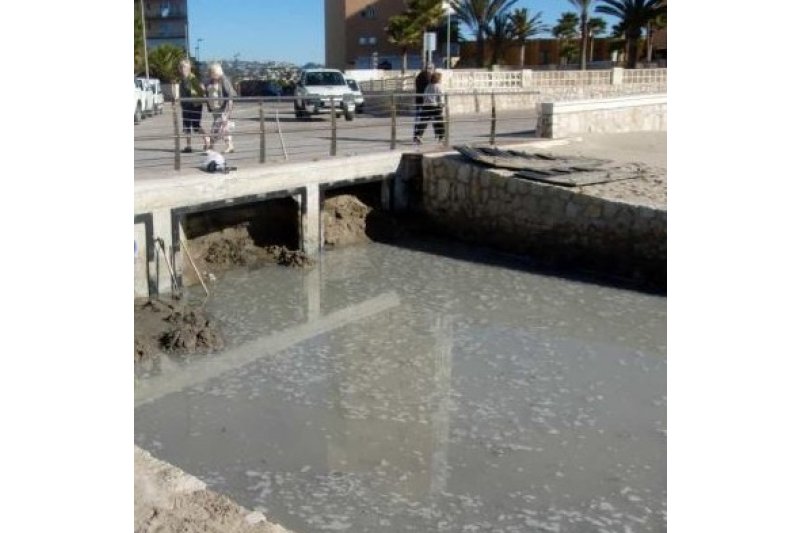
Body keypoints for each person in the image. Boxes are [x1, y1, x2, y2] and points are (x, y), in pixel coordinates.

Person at [205, 62, 237, 154]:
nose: (210, 75)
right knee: (224, 129)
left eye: (212, 72)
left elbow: (231, 95)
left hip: (222, 109)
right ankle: (229, 146)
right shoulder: (211, 81)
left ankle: (211, 147)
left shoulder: (224, 80)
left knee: (216, 128)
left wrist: (228, 111)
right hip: (215, 109)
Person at [178, 58, 206, 153]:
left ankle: (207, 140)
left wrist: (201, 96)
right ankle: (188, 146)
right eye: (181, 67)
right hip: (185, 106)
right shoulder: (182, 80)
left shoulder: (192, 78)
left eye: (184, 67)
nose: (182, 69)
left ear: (189, 68)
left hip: (195, 106)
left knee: (196, 126)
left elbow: (201, 90)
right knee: (186, 126)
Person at [414, 71, 446, 144]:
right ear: (438, 79)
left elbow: (424, 96)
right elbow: (440, 97)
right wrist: (442, 105)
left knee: (423, 122)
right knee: (439, 122)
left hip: (426, 106)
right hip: (435, 106)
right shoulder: (438, 86)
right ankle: (441, 136)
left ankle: (418, 136)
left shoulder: (428, 86)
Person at [413, 65, 433, 144]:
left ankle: (416, 135)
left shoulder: (418, 76)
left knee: (418, 118)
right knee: (425, 118)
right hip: (425, 101)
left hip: (418, 100)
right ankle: (418, 135)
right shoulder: (427, 76)